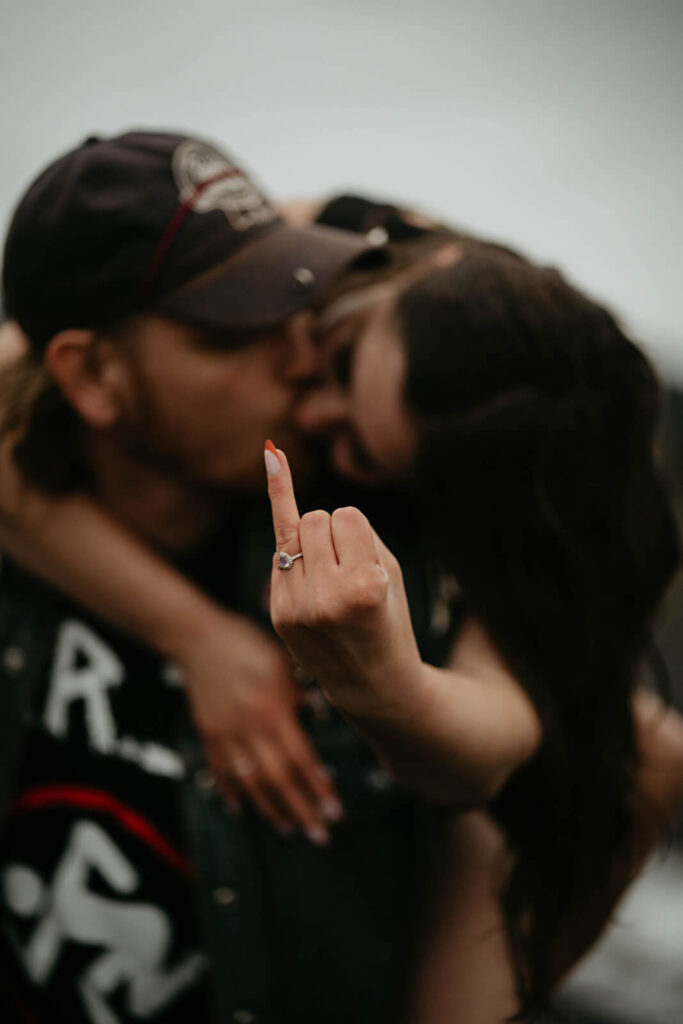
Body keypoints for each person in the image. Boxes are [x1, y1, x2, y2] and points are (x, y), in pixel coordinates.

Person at [0, 178, 681, 1023]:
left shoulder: (491, 516)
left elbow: (486, 740)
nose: (308, 397)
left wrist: (378, 682)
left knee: (639, 753)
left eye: (354, 447)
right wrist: (197, 636)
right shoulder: (343, 238)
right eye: (348, 351)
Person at [0, 131, 455, 1024]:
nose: (301, 351)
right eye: (232, 326)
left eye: (293, 295)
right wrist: (197, 636)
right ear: (93, 374)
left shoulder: (378, 568)